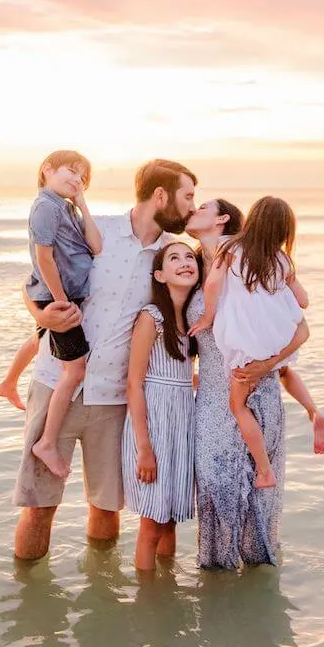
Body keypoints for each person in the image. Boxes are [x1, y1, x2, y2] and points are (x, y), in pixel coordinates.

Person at [12, 159, 197, 559]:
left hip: (115, 400)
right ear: (160, 195)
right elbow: (35, 275)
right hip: (56, 381)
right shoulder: (95, 230)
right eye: (187, 196)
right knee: (39, 507)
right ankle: (28, 611)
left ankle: (103, 602)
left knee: (107, 507)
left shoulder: (173, 256)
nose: (191, 208)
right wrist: (38, 314)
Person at [186, 198, 324, 569]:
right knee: (221, 478)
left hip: (245, 357)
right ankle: (234, 568)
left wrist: (210, 316)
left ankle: (263, 479)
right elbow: (302, 301)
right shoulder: (280, 261)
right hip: (263, 347)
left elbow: (215, 284)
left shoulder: (230, 250)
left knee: (239, 408)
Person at [0, 150, 102, 480]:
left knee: (40, 336)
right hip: (60, 298)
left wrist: (82, 201)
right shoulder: (45, 206)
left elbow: (96, 247)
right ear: (47, 170)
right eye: (71, 172)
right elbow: (44, 258)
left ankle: (8, 383)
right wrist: (61, 302)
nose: (77, 179)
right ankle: (46, 443)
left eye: (82, 176)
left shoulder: (66, 206)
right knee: (75, 369)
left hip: (62, 296)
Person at [122, 242, 199, 571]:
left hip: (180, 423)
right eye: (174, 258)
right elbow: (133, 383)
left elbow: (184, 376)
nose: (184, 263)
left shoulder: (193, 322)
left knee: (169, 521)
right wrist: (144, 448)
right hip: (153, 425)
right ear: (160, 274)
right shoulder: (152, 317)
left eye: (190, 257)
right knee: (152, 524)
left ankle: (168, 597)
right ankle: (147, 604)